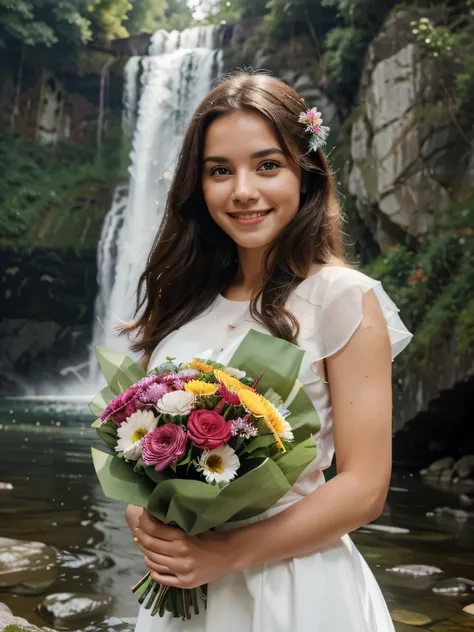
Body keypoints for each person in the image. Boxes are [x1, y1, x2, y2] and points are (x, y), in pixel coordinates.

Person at [122, 70, 412, 632]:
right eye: (219, 171)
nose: (243, 191)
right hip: (186, 590)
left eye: (267, 165)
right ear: (197, 186)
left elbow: (364, 488)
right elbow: (137, 458)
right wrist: (148, 519)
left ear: (305, 173)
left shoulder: (342, 298)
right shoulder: (183, 302)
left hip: (295, 589)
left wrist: (225, 554)